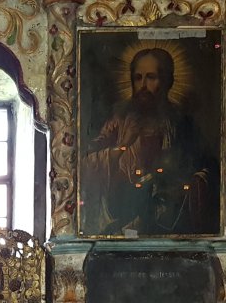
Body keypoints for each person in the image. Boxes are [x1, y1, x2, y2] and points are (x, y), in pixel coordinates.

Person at [84, 48, 210, 236]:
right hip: (122, 216)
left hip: (170, 222)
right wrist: (124, 144)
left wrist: (190, 183)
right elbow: (87, 162)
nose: (143, 85)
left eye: (151, 77)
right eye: (138, 78)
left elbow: (204, 168)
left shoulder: (182, 124)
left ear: (167, 81)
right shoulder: (117, 122)